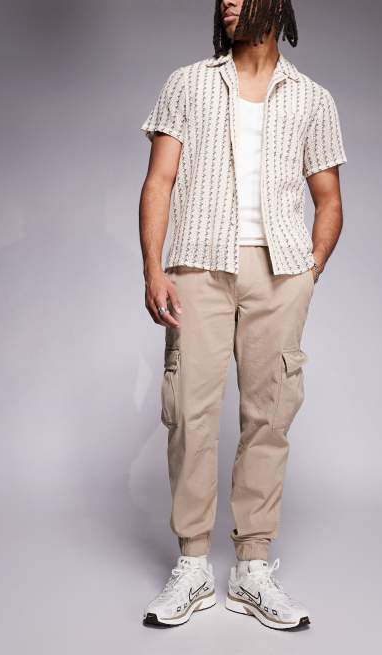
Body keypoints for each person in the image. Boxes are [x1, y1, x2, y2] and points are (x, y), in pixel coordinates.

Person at [138, 0, 347, 630]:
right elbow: (159, 181)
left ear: (277, 4)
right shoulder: (187, 83)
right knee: (189, 413)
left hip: (280, 272)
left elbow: (329, 198)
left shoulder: (313, 98)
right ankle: (193, 565)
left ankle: (253, 568)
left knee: (269, 418)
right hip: (199, 265)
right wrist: (153, 269)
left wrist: (310, 270)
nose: (228, 1)